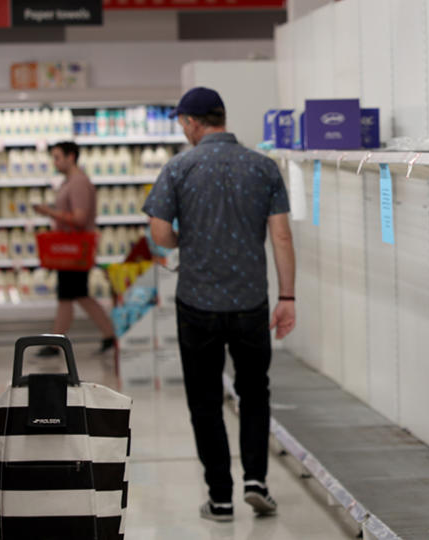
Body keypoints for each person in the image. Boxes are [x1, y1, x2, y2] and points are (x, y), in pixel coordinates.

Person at [143, 87, 297, 522]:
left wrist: (180, 242)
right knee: (254, 392)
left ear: (192, 122)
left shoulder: (179, 168)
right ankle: (256, 481)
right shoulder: (263, 167)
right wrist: (287, 297)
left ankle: (221, 498)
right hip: (251, 301)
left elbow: (158, 231)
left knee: (205, 399)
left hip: (197, 302)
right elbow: (281, 236)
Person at [33, 142, 116, 357]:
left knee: (73, 294)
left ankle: (59, 343)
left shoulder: (78, 182)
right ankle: (106, 335)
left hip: (74, 248)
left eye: (57, 157)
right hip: (69, 249)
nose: (55, 162)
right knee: (73, 295)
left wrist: (49, 212)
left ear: (71, 157)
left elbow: (79, 218)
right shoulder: (70, 181)